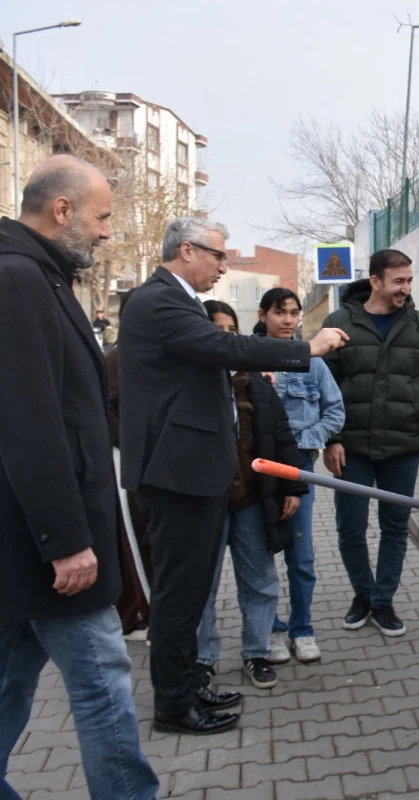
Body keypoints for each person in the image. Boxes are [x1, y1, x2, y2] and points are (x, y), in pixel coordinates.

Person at [118, 216, 348, 735]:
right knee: (180, 598)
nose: (224, 265)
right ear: (184, 251)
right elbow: (226, 348)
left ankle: (188, 689)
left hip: (191, 472)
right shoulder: (157, 301)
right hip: (176, 475)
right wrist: (305, 348)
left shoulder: (172, 300)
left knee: (191, 590)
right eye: (217, 255)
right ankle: (175, 706)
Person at [0, 154, 160, 798]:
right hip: (52, 551)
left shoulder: (41, 277)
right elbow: (29, 425)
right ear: (60, 210)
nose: (106, 232)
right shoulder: (17, 282)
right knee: (102, 687)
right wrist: (66, 541)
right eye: (101, 218)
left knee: (13, 678)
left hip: (31, 547)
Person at [321, 249, 419, 636]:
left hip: (403, 449)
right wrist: (332, 439)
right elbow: (325, 388)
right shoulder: (339, 324)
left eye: (409, 280)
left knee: (395, 528)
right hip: (351, 449)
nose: (406, 288)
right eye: (398, 281)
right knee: (350, 528)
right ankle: (362, 593)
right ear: (375, 281)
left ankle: (383, 600)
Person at [196, 300, 307, 691]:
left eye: (231, 330)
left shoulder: (256, 381)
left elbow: (281, 433)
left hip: (250, 501)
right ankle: (201, 660)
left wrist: (293, 486)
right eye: (216, 329)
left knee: (260, 580)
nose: (224, 337)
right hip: (205, 501)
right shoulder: (191, 380)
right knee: (201, 586)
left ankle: (256, 652)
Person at [255, 288, 344, 664]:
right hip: (258, 472)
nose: (288, 320)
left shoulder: (315, 364)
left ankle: (302, 628)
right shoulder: (248, 359)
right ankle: (271, 630)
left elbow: (335, 411)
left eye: (294, 313)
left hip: (301, 469)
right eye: (280, 312)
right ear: (263, 315)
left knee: (301, 556)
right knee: (260, 556)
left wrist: (305, 441)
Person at [106, 288, 152, 641]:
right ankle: (137, 611)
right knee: (132, 540)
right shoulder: (115, 360)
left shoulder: (154, 356)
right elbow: (107, 413)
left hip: (156, 462)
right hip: (126, 462)